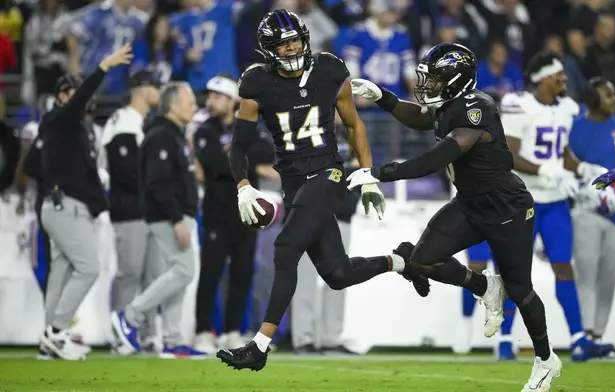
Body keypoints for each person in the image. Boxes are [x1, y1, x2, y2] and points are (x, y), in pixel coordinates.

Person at [216, 9, 430, 371]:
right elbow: (238, 145)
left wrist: (366, 175)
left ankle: (260, 346)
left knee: (285, 247)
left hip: (328, 172)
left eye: (295, 41)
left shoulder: (330, 68)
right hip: (293, 182)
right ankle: (403, 261)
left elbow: (353, 124)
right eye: (282, 45)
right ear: (269, 50)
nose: (290, 49)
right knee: (337, 274)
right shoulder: (256, 82)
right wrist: (243, 187)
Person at [349, 43, 560, 391]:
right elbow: (419, 117)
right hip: (470, 203)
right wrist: (383, 97)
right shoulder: (449, 105)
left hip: (506, 207)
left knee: (521, 291)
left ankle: (545, 359)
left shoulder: (477, 107)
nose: (427, 85)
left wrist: (381, 173)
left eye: (435, 79)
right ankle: (484, 286)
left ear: (456, 80)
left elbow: (439, 156)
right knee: (421, 260)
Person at [495, 52, 613, 361]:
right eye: (558, 74)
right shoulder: (520, 104)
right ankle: (505, 338)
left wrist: (584, 168)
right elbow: (510, 154)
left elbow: (561, 153)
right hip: (521, 200)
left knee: (563, 266)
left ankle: (577, 338)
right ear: (544, 78)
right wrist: (544, 170)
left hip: (555, 201)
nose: (564, 79)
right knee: (514, 271)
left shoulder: (566, 108)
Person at [38, 45, 133, 361]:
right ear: (63, 96)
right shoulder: (61, 120)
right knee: (89, 268)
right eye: (75, 92)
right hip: (65, 207)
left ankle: (49, 339)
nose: (82, 97)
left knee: (63, 271)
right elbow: (80, 100)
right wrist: (104, 66)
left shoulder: (70, 129)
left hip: (64, 205)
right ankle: (56, 333)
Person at [111, 81, 207, 359]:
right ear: (173, 105)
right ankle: (131, 315)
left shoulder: (173, 134)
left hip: (178, 214)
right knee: (183, 271)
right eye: (189, 103)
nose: (194, 107)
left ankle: (173, 339)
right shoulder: (161, 135)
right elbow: (157, 183)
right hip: (168, 216)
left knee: (179, 274)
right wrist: (177, 219)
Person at [192, 75, 276, 354]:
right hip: (217, 212)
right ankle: (203, 331)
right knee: (211, 273)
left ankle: (231, 331)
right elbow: (214, 163)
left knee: (242, 275)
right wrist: (237, 152)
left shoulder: (248, 127)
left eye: (217, 96)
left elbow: (267, 150)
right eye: (210, 96)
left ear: (232, 101)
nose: (211, 101)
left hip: (247, 214)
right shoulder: (205, 130)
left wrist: (235, 150)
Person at [569, 77, 615, 357]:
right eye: (607, 94)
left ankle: (599, 336)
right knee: (586, 275)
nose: (614, 99)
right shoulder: (576, 128)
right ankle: (584, 337)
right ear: (592, 98)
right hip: (586, 211)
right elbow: (568, 166)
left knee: (608, 277)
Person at [100, 69, 162, 355]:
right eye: (155, 86)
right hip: (129, 211)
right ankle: (121, 337)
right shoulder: (123, 120)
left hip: (147, 211)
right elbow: (124, 172)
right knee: (130, 276)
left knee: (152, 277)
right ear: (141, 88)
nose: (159, 91)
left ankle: (148, 335)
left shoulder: (140, 122)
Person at [291, 130, 361, 356]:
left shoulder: (351, 134)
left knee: (340, 277)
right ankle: (304, 338)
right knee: (306, 279)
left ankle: (331, 337)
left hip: (343, 214)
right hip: (311, 214)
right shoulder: (307, 130)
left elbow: (360, 170)